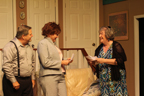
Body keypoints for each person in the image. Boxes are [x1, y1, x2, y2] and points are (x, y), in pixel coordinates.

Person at [37, 22, 73, 96]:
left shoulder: (53, 44)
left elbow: (55, 58)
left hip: (60, 74)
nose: (57, 36)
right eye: (56, 34)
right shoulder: (42, 43)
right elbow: (45, 62)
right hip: (49, 76)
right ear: (50, 33)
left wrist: (66, 60)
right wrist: (62, 62)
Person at [93, 26, 128, 96]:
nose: (99, 36)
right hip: (104, 82)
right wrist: (93, 62)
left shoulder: (116, 46)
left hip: (115, 80)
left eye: (101, 34)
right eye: (99, 34)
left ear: (108, 35)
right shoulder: (99, 49)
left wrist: (103, 60)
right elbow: (96, 64)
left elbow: (120, 60)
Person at [2, 25, 35, 96]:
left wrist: (32, 78)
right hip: (14, 81)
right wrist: (13, 81)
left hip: (27, 81)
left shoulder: (29, 47)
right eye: (30, 34)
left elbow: (33, 63)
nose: (32, 35)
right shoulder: (10, 47)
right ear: (23, 36)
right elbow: (6, 66)